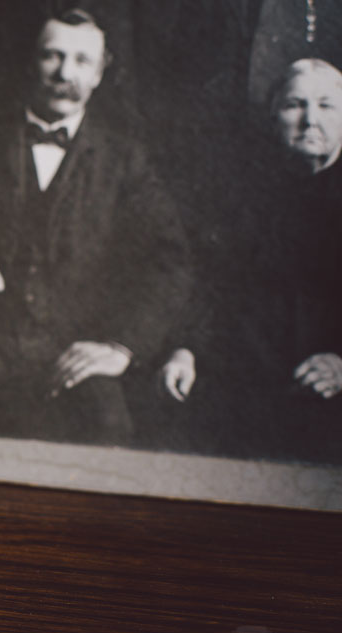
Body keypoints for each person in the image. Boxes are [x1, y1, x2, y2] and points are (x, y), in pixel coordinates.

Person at [0, 8, 191, 444]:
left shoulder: (124, 159)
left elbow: (168, 259)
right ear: (32, 61)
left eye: (81, 61)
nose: (64, 73)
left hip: (77, 342)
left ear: (101, 71)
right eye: (52, 57)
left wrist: (122, 347)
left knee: (110, 427)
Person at [159, 58, 342, 462]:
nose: (310, 120)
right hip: (246, 376)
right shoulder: (241, 196)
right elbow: (208, 282)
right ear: (273, 114)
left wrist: (341, 363)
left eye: (327, 106)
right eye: (295, 105)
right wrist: (185, 349)